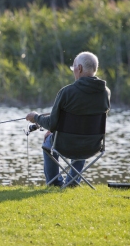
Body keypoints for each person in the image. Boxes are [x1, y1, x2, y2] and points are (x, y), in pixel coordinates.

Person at [26, 51, 111, 187]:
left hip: (65, 144)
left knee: (49, 142)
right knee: (82, 138)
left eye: (74, 68)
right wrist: (55, 129)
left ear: (80, 69)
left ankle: (54, 183)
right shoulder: (105, 92)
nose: (73, 72)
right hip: (93, 145)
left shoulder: (67, 92)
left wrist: (35, 117)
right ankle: (72, 183)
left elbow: (51, 123)